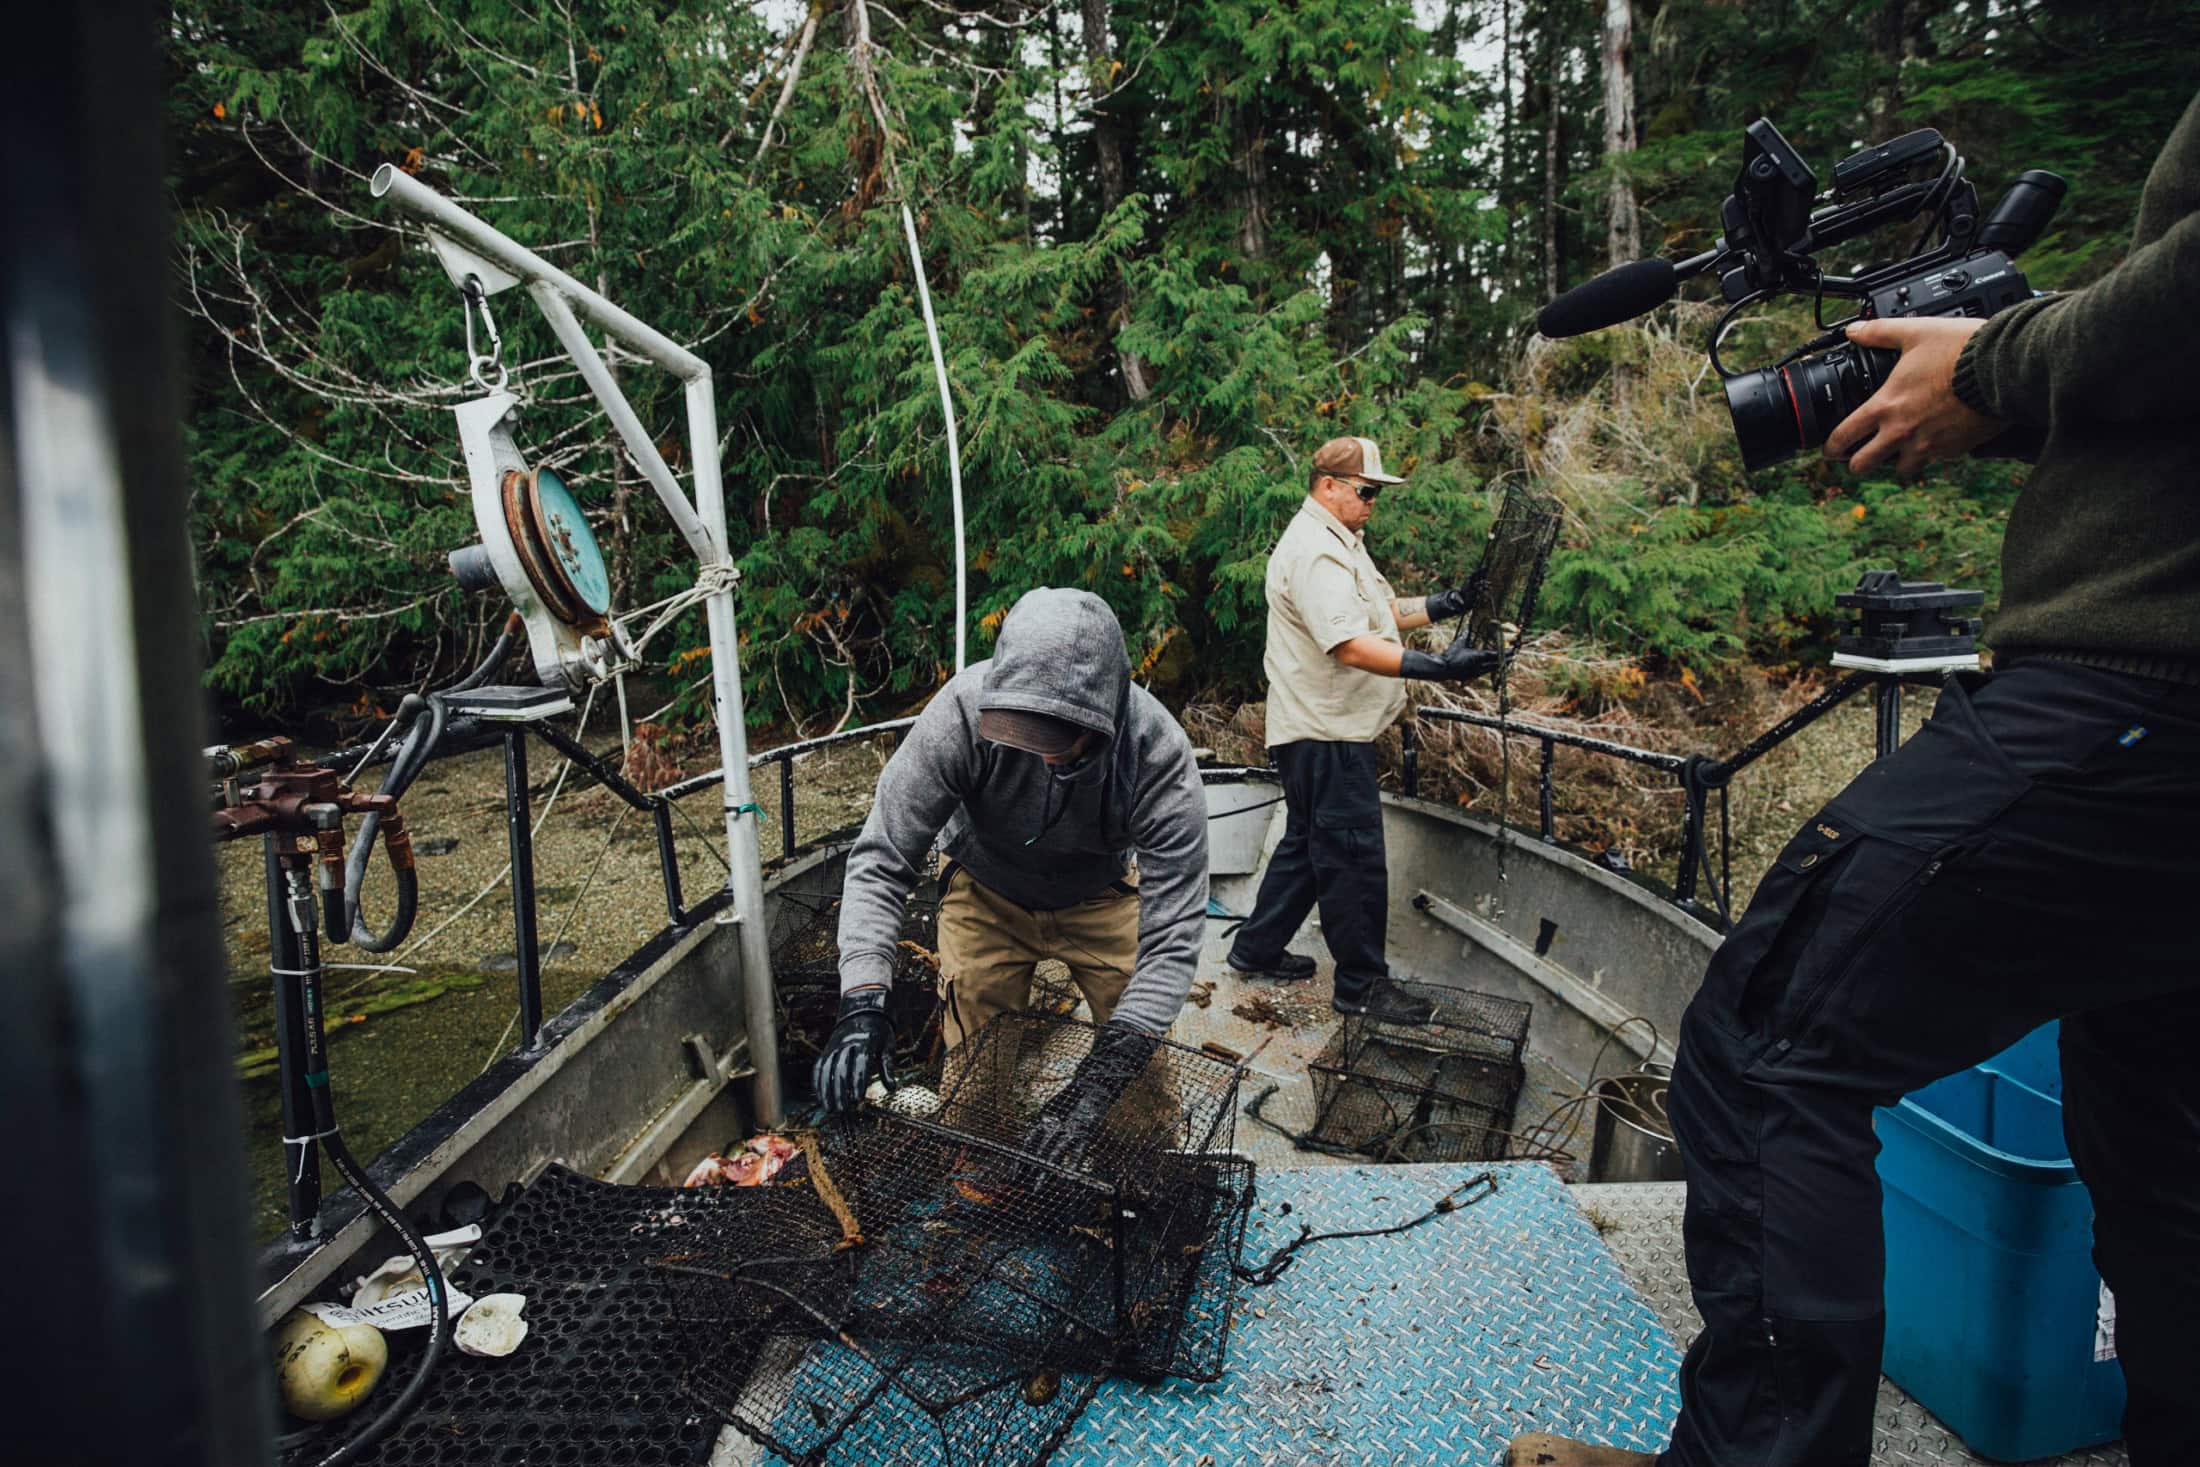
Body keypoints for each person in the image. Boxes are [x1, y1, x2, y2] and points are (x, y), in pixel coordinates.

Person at [1512, 90, 2200, 1467]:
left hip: (2139, 685)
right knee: (2168, 1144)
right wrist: (2008, 377)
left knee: (1766, 1037)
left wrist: (2001, 361)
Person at [811, 586, 1209, 1169]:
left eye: (1054, 740)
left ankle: (1137, 1176)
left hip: (1099, 893)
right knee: (974, 1072)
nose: (1038, 754)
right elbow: (882, 859)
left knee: (1136, 1072)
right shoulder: (960, 714)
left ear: (1105, 717)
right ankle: (980, 1181)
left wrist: (1091, 1089)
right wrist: (864, 1001)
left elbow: (1172, 942)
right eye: (1020, 733)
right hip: (986, 888)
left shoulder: (1159, 761)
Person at [1227, 435, 1501, 1026]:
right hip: (1328, 734)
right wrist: (1437, 668)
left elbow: (1378, 613)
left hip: (1311, 731)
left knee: (1307, 845)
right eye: (1366, 491)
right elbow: (1350, 644)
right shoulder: (1316, 553)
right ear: (1329, 486)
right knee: (1352, 858)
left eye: (1377, 493)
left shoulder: (1339, 542)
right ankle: (1361, 987)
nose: (1373, 502)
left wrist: (1449, 602)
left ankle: (1255, 948)